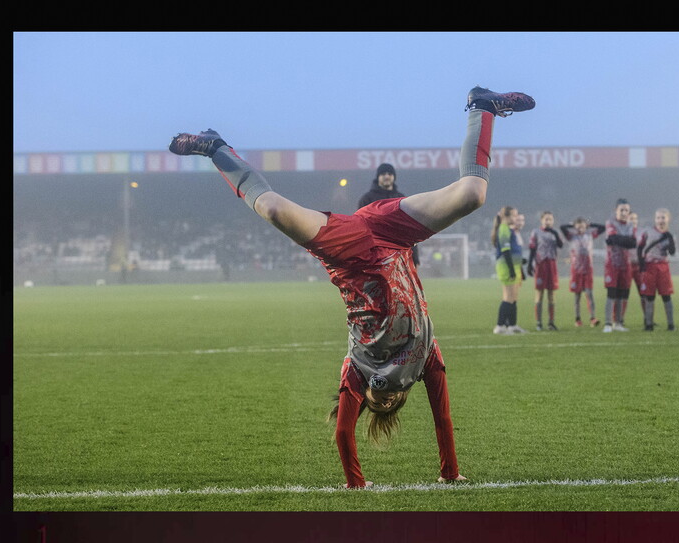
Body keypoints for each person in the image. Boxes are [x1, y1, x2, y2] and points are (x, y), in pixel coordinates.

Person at [168, 85, 535, 489]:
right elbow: (443, 417)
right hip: (395, 236)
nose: (387, 397)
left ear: (367, 404)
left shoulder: (357, 369)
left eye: (378, 402)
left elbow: (343, 433)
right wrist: (450, 473)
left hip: (348, 253)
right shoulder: (423, 358)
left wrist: (355, 483)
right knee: (473, 194)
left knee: (271, 208)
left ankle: (215, 147)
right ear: (400, 399)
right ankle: (483, 106)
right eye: (393, 401)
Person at [358, 163, 420, 266]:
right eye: (383, 174)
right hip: (375, 255)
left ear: (394, 177)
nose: (387, 176)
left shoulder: (401, 198)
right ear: (378, 177)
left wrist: (415, 257)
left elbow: (409, 230)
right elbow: (360, 228)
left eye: (390, 174)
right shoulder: (367, 199)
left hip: (399, 254)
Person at [560, 217, 605, 327]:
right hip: (576, 270)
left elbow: (603, 228)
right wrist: (572, 224)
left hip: (588, 270)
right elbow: (562, 227)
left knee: (589, 294)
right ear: (575, 227)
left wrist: (590, 224)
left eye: (583, 226)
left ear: (586, 226)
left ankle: (593, 318)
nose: (580, 228)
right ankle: (577, 319)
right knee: (577, 296)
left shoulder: (590, 236)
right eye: (578, 226)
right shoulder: (572, 237)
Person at [637, 208, 676, 331]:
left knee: (666, 296)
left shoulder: (669, 235)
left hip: (663, 267)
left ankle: (671, 324)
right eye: (658, 218)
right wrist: (641, 264)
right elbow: (640, 248)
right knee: (649, 297)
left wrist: (670, 240)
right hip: (649, 267)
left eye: (663, 218)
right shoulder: (648, 232)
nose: (660, 220)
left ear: (668, 219)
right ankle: (649, 324)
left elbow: (672, 252)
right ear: (655, 219)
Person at [602, 198, 637, 333]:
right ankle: (608, 323)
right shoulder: (610, 223)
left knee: (622, 294)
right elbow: (612, 239)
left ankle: (618, 323)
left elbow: (632, 243)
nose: (624, 212)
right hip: (612, 264)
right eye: (621, 210)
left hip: (625, 264)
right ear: (615, 211)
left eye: (626, 210)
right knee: (611, 293)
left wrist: (617, 240)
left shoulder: (630, 226)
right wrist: (623, 240)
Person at [492, 206, 527, 334]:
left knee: (513, 297)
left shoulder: (509, 230)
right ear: (506, 217)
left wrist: (520, 263)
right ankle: (500, 326)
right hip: (507, 267)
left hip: (514, 266)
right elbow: (505, 251)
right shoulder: (504, 229)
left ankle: (512, 325)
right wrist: (511, 270)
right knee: (508, 297)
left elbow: (512, 251)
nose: (515, 218)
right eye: (513, 215)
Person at [527, 211, 563, 330]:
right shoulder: (536, 232)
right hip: (540, 265)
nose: (548, 222)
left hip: (551, 265)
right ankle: (538, 323)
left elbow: (561, 245)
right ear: (541, 220)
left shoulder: (555, 232)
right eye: (546, 219)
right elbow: (532, 249)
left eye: (550, 220)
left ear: (553, 221)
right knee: (539, 294)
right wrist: (529, 264)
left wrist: (556, 234)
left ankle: (551, 323)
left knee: (551, 295)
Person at [628, 212, 646, 326]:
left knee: (644, 293)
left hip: (639, 266)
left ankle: (647, 318)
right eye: (631, 218)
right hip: (627, 265)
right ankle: (618, 320)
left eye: (635, 218)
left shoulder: (642, 233)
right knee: (622, 294)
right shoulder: (623, 232)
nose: (634, 220)